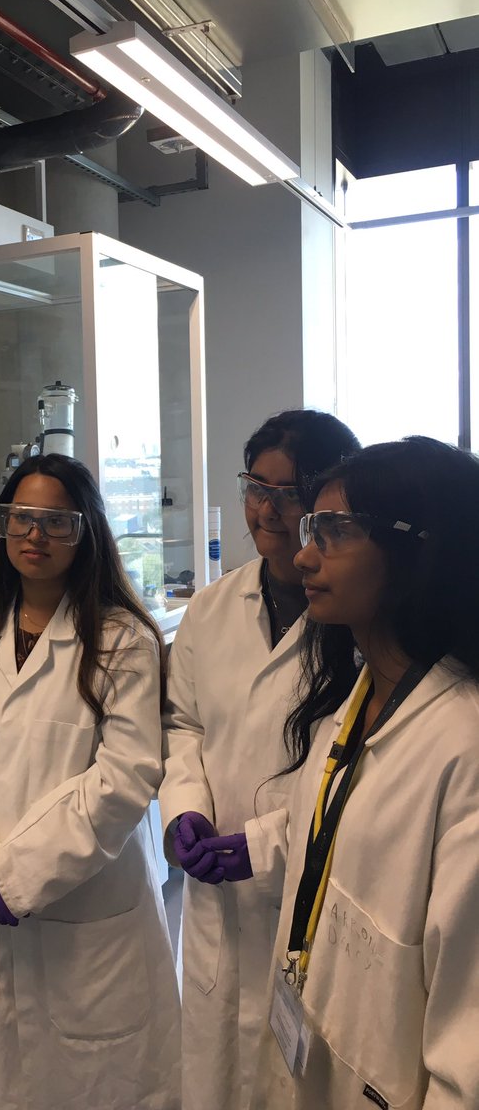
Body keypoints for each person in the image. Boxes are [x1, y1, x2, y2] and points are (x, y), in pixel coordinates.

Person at [0, 453, 182, 1110]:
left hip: (88, 912)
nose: (35, 535)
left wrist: (16, 874)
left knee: (95, 1090)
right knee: (4, 1087)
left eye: (56, 521)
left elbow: (125, 778)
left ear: (86, 531)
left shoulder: (123, 641)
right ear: (1, 527)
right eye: (20, 518)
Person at [250, 436, 479, 1108]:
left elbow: (468, 1040)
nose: (304, 555)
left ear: (419, 550)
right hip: (317, 1049)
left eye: (335, 532)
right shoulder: (352, 705)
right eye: (312, 529)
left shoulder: (462, 746)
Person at [160, 409, 360, 1110]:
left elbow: (358, 770)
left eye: (290, 493)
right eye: (256, 488)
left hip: (308, 893)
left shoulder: (356, 625)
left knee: (293, 1082)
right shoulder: (211, 610)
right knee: (213, 1076)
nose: (267, 511)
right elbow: (184, 724)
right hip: (216, 899)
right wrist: (184, 808)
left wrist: (267, 845)